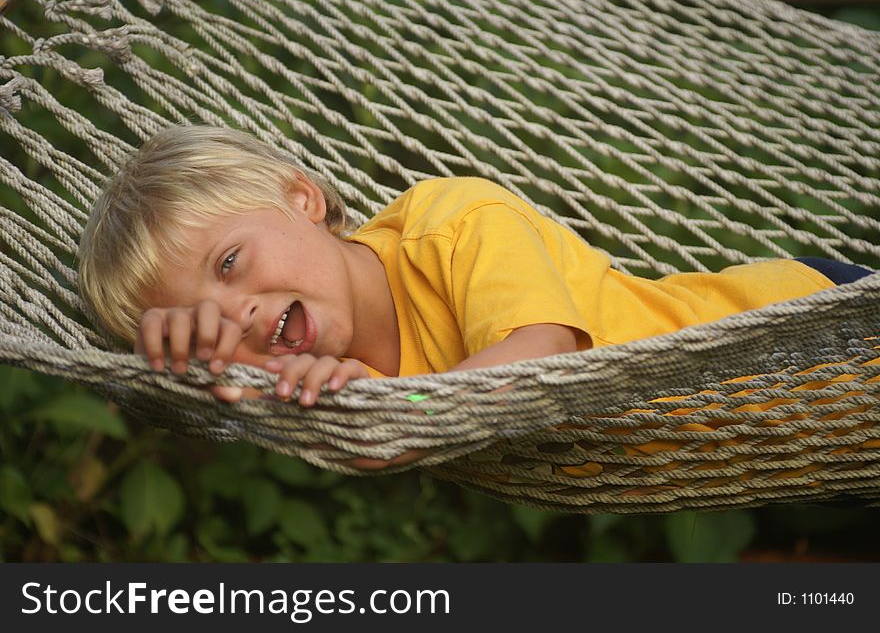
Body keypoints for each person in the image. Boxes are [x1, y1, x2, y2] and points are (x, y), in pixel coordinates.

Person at [77, 125, 871, 411]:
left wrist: (394, 411)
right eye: (215, 318)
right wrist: (185, 354)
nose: (239, 311)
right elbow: (223, 406)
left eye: (231, 262)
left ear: (304, 198)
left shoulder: (451, 225)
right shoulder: (323, 384)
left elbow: (546, 357)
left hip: (815, 332)